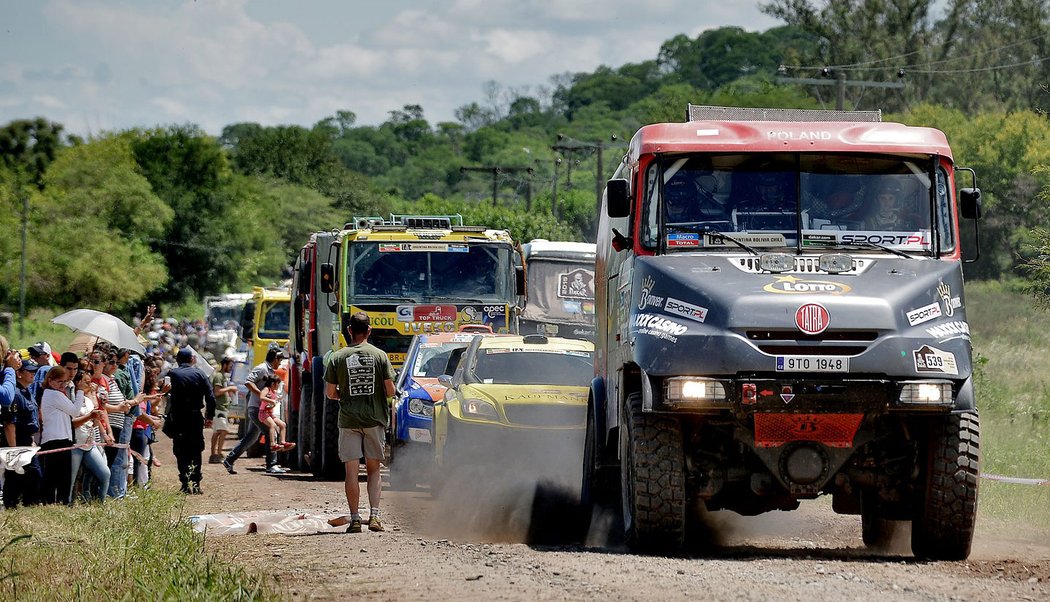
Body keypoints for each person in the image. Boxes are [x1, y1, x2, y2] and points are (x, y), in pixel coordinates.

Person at [324, 312, 396, 533]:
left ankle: (355, 519)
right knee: (374, 470)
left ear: (349, 331)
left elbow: (330, 393)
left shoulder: (337, 357)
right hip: (374, 420)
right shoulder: (380, 355)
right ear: (369, 331)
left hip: (349, 420)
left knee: (351, 471)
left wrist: (345, 396)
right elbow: (390, 391)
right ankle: (374, 516)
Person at [223, 346, 288, 475]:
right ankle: (272, 465)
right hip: (257, 409)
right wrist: (261, 395)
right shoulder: (262, 368)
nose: (280, 363)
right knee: (271, 433)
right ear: (274, 359)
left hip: (261, 410)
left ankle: (229, 459)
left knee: (251, 438)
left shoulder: (270, 371)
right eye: (279, 360)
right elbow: (248, 382)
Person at [39, 367, 98, 504]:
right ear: (50, 380)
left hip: (62, 440)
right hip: (56, 440)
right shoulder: (53, 394)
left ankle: (60, 502)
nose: (63, 385)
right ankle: (55, 502)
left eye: (65, 382)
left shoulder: (54, 394)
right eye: (60, 381)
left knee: (62, 477)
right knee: (56, 477)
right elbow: (75, 411)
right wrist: (81, 391)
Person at [164, 347, 216, 495]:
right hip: (195, 418)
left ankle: (185, 483)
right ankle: (196, 483)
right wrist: (209, 416)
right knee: (196, 449)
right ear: (192, 359)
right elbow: (210, 397)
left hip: (178, 418)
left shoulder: (172, 374)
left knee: (180, 450)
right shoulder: (200, 373)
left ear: (177, 360)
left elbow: (163, 391)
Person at [69, 363, 111, 503]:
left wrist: (96, 419)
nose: (90, 384)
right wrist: (90, 417)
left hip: (89, 444)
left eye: (90, 381)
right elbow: (73, 422)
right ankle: (68, 503)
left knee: (105, 473)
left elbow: (94, 421)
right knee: (72, 479)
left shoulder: (88, 401)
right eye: (86, 382)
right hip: (75, 445)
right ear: (77, 382)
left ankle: (101, 502)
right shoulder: (72, 400)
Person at [3, 359, 42, 508]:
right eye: (29, 371)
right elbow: (9, 424)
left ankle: (28, 505)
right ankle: (11, 506)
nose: (33, 374)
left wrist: (32, 440)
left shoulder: (28, 393)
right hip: (15, 441)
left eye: (34, 371)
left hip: (27, 441)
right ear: (18, 373)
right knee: (14, 477)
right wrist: (13, 449)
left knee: (34, 475)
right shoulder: (16, 394)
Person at [209, 357, 237, 464]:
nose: (231, 368)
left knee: (217, 432)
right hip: (220, 408)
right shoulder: (219, 376)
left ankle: (214, 454)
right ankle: (218, 453)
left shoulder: (222, 377)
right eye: (230, 366)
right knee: (223, 430)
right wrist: (230, 389)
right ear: (225, 365)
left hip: (223, 408)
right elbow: (217, 392)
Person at [258, 374, 295, 453]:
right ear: (273, 384)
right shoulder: (266, 389)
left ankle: (283, 442)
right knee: (273, 425)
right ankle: (273, 444)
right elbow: (261, 397)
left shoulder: (273, 392)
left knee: (283, 424)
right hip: (263, 413)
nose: (278, 386)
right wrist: (271, 401)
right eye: (278, 383)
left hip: (270, 413)